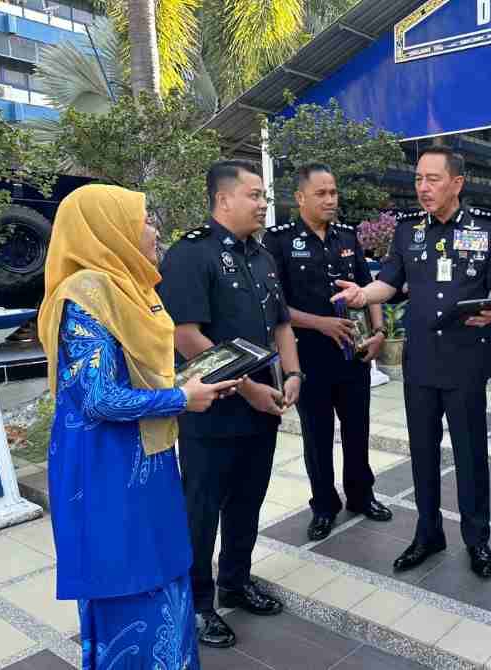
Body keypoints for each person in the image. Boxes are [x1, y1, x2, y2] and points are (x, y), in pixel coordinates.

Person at [39, 184, 241, 670]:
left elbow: (137, 373)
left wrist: (189, 382)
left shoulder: (128, 288)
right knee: (127, 579)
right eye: (144, 220)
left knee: (163, 568)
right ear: (108, 230)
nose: (153, 230)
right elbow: (97, 397)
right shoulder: (84, 295)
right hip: (106, 469)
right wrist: (181, 398)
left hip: (144, 458)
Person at [331, 146, 491, 578]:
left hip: (466, 361)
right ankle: (428, 533)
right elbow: (388, 283)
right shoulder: (408, 231)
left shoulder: (488, 228)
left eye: (432, 179)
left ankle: (477, 539)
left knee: (470, 454)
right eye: (418, 180)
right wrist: (361, 294)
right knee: (422, 452)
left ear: (457, 183)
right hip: (422, 361)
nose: (423, 188)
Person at [158, 160, 303, 648]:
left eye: (263, 196)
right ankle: (198, 604)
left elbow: (281, 325)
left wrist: (293, 374)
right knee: (201, 511)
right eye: (255, 195)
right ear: (223, 200)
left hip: (263, 408)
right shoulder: (190, 254)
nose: (264, 203)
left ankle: (235, 583)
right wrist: (249, 388)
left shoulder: (261, 256)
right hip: (213, 410)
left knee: (248, 500)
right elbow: (187, 336)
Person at [262, 163, 393, 541]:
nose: (331, 199)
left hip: (352, 354)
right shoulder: (280, 241)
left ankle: (361, 495)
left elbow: (370, 289)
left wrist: (380, 331)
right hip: (309, 356)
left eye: (333, 192)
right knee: (317, 435)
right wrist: (321, 323)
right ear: (301, 197)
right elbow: (276, 304)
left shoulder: (348, 236)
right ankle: (323, 506)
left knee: (358, 429)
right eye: (321, 193)